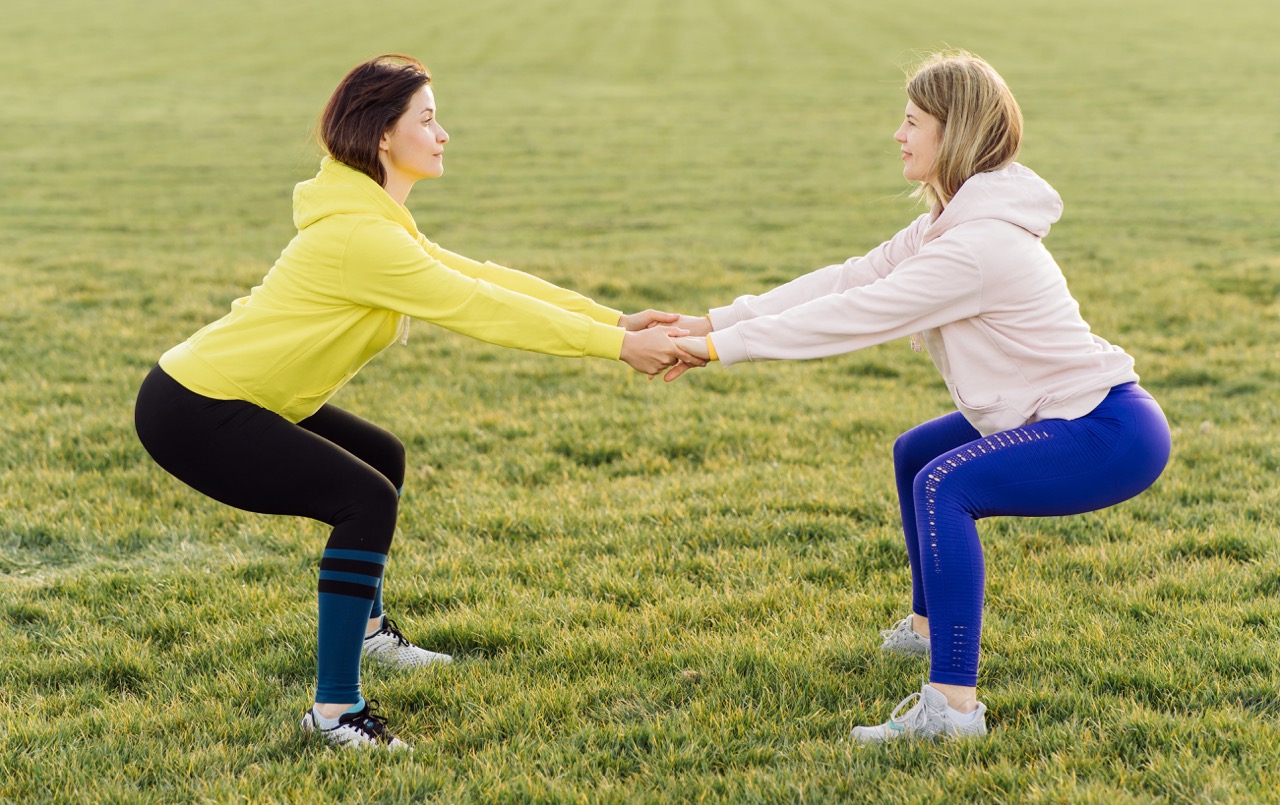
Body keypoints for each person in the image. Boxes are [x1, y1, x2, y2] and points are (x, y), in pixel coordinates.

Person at [134, 54, 699, 751]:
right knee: (362, 497)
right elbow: (477, 307)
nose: (443, 134)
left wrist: (614, 322)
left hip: (245, 392)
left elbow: (478, 277)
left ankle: (366, 635)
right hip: (195, 406)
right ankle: (336, 711)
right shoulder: (362, 235)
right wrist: (615, 347)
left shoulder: (373, 218)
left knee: (381, 457)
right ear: (381, 137)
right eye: (427, 120)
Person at [669, 51, 1171, 742]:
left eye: (912, 122)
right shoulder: (950, 224)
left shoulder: (974, 246)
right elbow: (850, 279)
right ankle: (924, 630)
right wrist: (713, 323)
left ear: (954, 132)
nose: (898, 135)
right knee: (919, 453)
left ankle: (952, 709)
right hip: (1076, 413)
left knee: (946, 483)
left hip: (1107, 430)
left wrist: (721, 350)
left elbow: (858, 313)